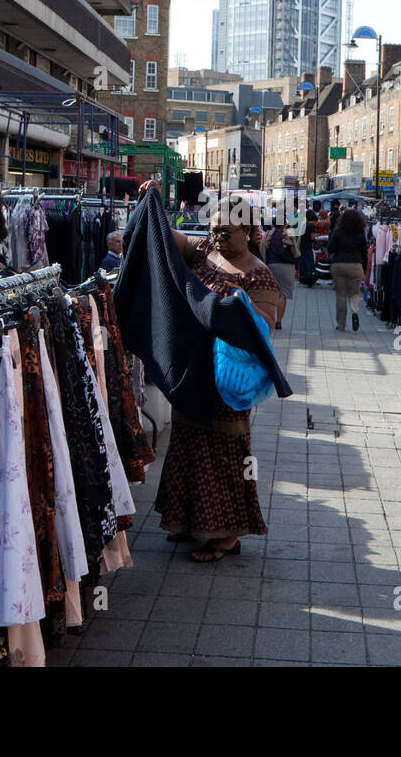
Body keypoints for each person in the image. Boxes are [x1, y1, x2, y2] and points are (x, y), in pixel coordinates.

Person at [142, 184, 281, 563]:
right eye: (214, 230)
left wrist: (222, 311)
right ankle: (189, 521)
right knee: (188, 440)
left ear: (249, 232)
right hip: (196, 369)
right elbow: (163, 235)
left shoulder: (260, 276)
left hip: (228, 379)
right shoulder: (205, 252)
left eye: (226, 232)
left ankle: (225, 536)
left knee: (223, 449)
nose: (217, 237)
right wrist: (153, 199)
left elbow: (263, 329)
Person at [328, 208, 368, 332]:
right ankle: (354, 312)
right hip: (356, 265)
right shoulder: (361, 233)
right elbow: (364, 252)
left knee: (341, 295)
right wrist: (365, 267)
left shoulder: (338, 231)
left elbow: (331, 248)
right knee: (354, 293)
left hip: (339, 264)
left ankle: (341, 325)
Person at [264, 217, 300, 330]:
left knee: (271, 294)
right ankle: (278, 322)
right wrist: (297, 270)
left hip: (271, 266)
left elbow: (262, 249)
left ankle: (269, 318)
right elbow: (296, 253)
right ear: (284, 224)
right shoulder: (289, 235)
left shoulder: (268, 235)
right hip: (288, 267)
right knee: (282, 295)